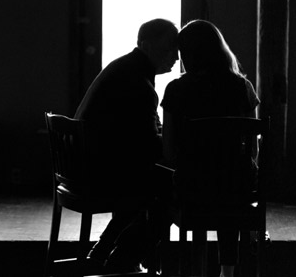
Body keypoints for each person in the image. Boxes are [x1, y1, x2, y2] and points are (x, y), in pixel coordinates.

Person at [75, 18, 178, 273]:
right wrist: (176, 145)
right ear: (145, 45)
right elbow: (147, 145)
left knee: (150, 183)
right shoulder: (138, 82)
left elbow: (138, 136)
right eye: (169, 47)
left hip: (86, 165)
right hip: (100, 173)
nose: (175, 56)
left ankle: (106, 253)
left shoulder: (126, 68)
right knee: (170, 191)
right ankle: (122, 259)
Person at [160, 19, 260, 277]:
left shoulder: (176, 90)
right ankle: (227, 271)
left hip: (193, 187)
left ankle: (182, 267)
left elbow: (168, 152)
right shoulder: (242, 87)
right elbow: (252, 148)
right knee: (229, 185)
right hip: (236, 187)